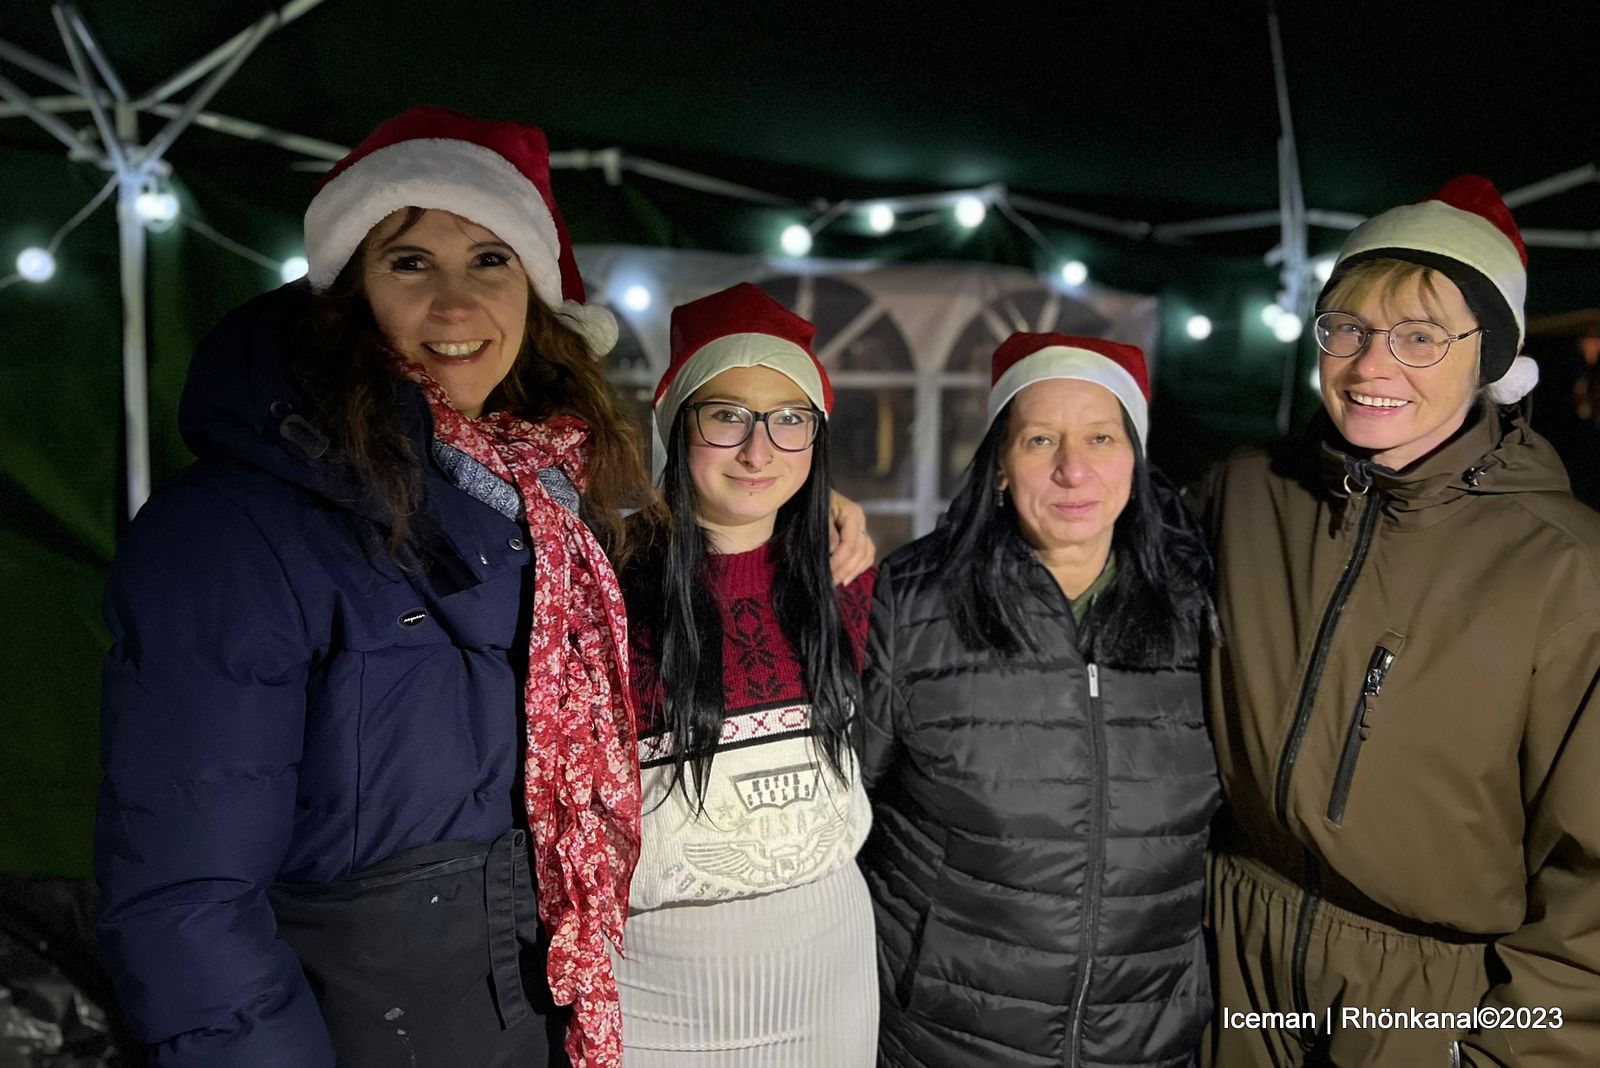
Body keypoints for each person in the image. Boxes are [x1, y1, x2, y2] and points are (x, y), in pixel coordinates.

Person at [93, 108, 873, 1068]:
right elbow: (185, 902)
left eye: (491, 260)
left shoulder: (547, 518)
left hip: (538, 1014)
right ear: (344, 293)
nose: (456, 307)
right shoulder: (235, 530)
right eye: (410, 261)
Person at [1197, 176, 1600, 1066]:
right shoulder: (1247, 493)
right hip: (1236, 966)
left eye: (1420, 337)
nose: (1372, 366)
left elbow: (1592, 884)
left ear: (1490, 357)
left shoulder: (1566, 568)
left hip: (1424, 1006)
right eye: (1348, 329)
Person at [860, 333, 1219, 1066]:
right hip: (944, 1035)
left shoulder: (1201, 609)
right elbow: (836, 815)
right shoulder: (910, 602)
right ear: (999, 464)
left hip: (1145, 1037)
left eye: (1100, 437)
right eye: (1040, 439)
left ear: (1135, 461)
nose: (1073, 468)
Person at [613, 283, 879, 1065]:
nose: (759, 451)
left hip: (828, 974)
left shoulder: (845, 577)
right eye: (727, 416)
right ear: (677, 428)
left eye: (790, 420)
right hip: (657, 994)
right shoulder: (606, 581)